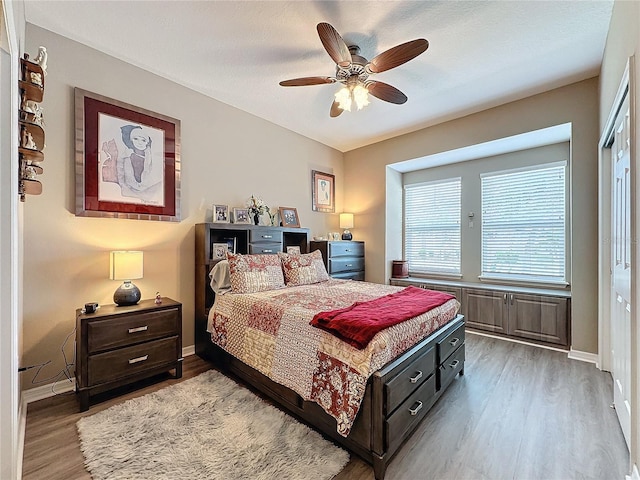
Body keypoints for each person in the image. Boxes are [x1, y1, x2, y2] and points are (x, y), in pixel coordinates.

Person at [117, 125, 163, 203]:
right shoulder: (125, 158)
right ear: (131, 141)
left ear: (147, 143)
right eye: (136, 139)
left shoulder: (153, 158)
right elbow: (121, 177)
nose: (139, 143)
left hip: (151, 193)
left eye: (143, 140)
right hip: (129, 193)